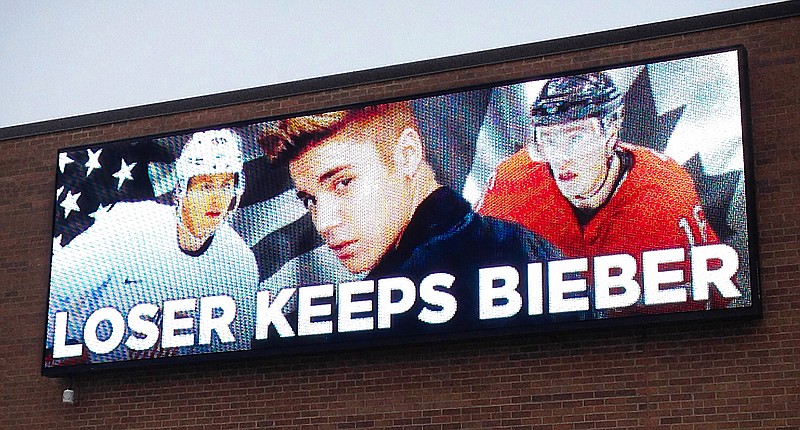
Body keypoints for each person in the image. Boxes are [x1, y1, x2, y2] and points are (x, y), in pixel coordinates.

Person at [257, 102, 564, 333]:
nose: (324, 222)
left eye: (343, 183)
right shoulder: (524, 243)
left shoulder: (379, 309)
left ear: (407, 154)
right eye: (309, 199)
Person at [478, 72, 726, 315]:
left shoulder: (663, 197)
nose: (562, 158)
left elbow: (703, 305)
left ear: (610, 132)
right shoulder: (512, 184)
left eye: (576, 139)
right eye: (549, 140)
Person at [47, 128, 259, 364]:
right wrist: (67, 350)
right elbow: (54, 290)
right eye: (206, 186)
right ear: (182, 190)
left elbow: (231, 356)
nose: (217, 198)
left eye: (226, 186)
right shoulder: (131, 224)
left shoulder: (240, 262)